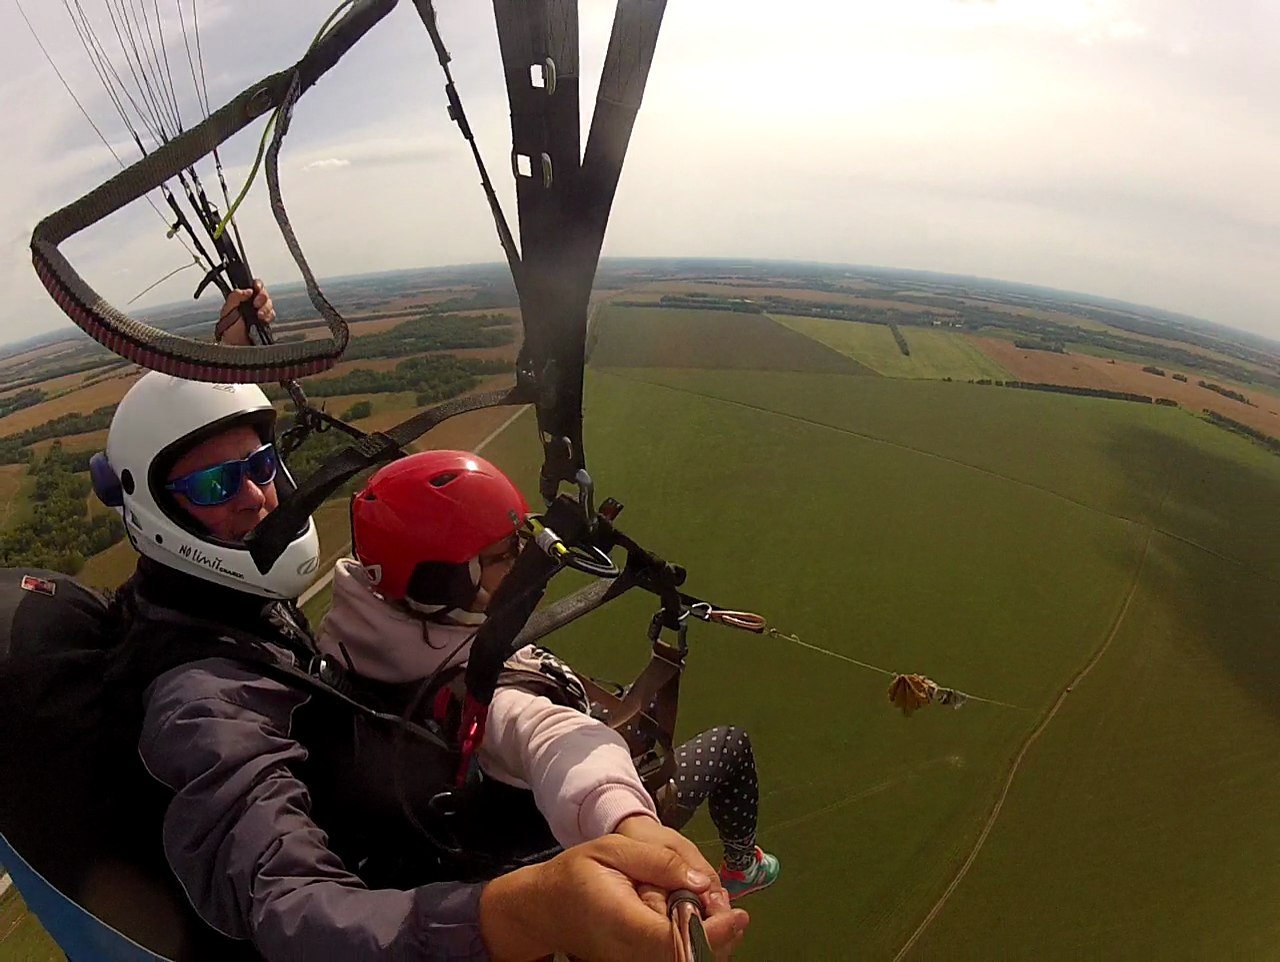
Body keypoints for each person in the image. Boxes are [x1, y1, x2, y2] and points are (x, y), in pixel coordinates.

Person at [82, 285, 749, 961]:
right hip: (446, 886)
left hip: (429, 821)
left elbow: (169, 462)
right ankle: (742, 862)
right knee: (725, 750)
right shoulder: (199, 702)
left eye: (260, 465)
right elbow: (289, 908)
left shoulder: (221, 592)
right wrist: (528, 914)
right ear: (157, 508)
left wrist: (219, 363)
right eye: (215, 486)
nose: (257, 496)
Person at [316, 450, 781, 901]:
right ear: (446, 581)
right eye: (503, 554)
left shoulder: (360, 640)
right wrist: (629, 823)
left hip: (485, 830)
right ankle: (742, 865)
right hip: (561, 828)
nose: (521, 562)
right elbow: (552, 738)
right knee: (729, 745)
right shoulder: (486, 696)